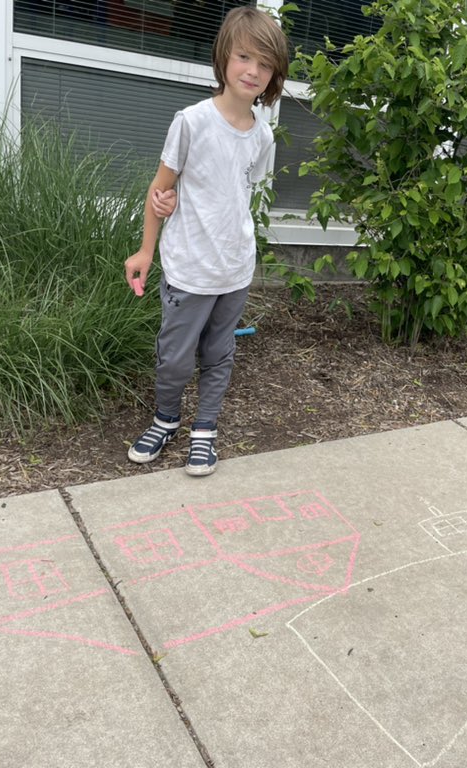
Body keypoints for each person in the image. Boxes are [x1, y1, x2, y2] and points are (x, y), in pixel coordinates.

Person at [124, 6, 289, 476]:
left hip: (234, 268)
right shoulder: (191, 121)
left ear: (273, 73)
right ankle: (166, 419)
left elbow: (236, 192)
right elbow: (160, 190)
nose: (253, 70)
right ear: (224, 58)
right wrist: (146, 249)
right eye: (243, 56)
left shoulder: (263, 135)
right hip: (189, 268)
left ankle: (205, 430)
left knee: (219, 354)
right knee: (174, 358)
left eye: (265, 63)